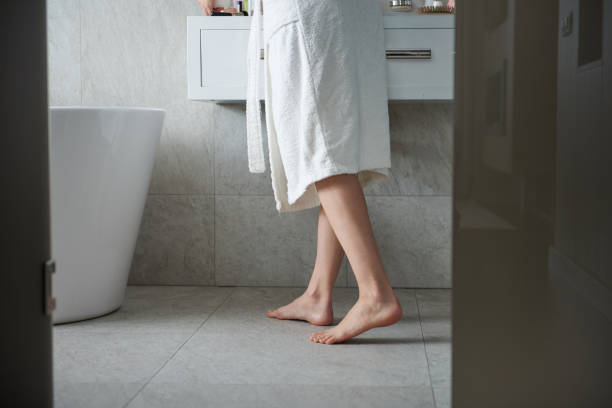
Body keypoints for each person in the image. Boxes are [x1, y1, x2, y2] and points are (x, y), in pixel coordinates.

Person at [199, 0, 402, 345]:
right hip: (353, 14)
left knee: (320, 144)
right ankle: (318, 295)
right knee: (336, 146)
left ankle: (375, 294)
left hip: (308, 11)